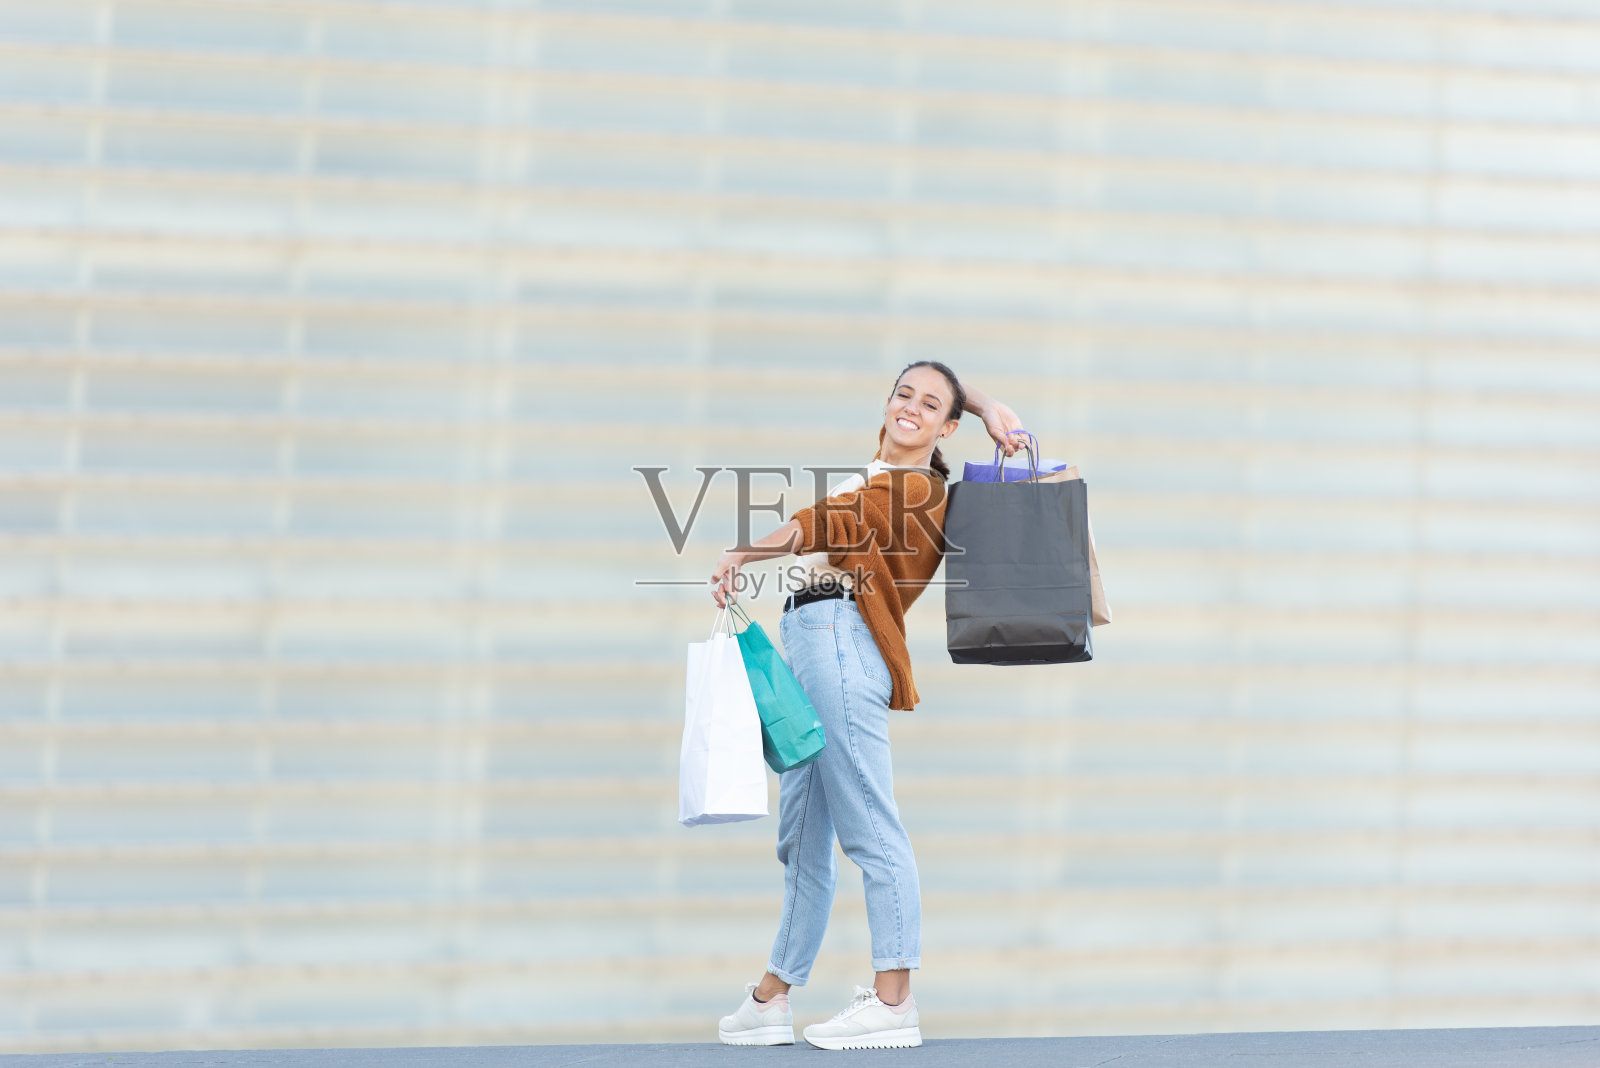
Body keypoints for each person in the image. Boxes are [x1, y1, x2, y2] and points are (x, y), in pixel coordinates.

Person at [708, 361, 1023, 1050]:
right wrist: (983, 403)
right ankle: (772, 998)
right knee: (802, 839)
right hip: (812, 642)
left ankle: (893, 1000)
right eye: (903, 394)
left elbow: (827, 524)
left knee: (870, 827)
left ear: (947, 428)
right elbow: (938, 397)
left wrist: (742, 552)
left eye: (931, 405)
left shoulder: (916, 488)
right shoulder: (881, 471)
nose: (912, 407)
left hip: (841, 642)